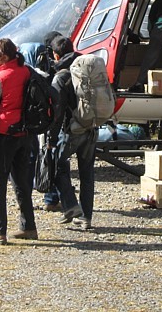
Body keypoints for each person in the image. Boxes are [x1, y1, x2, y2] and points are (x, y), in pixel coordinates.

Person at [0, 38, 37, 245]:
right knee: (21, 181)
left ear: (3, 57)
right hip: (24, 133)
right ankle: (28, 226)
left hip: (4, 133)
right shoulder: (25, 71)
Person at [47, 36, 98, 230]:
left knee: (58, 165)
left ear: (55, 54)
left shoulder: (61, 76)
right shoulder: (86, 68)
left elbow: (58, 111)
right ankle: (86, 218)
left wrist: (51, 138)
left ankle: (70, 206)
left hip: (72, 130)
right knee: (87, 174)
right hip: (92, 128)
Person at [19, 32, 62, 212]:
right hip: (45, 125)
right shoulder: (47, 75)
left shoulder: (22, 76)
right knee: (47, 159)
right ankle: (51, 198)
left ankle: (24, 198)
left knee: (28, 161)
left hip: (26, 127)